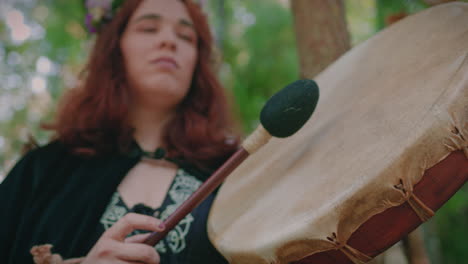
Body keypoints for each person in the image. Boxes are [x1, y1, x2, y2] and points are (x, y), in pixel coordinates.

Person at [0, 0, 239, 263]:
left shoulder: (234, 177)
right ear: (115, 48)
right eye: (149, 28)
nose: (170, 41)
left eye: (186, 36)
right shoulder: (42, 171)